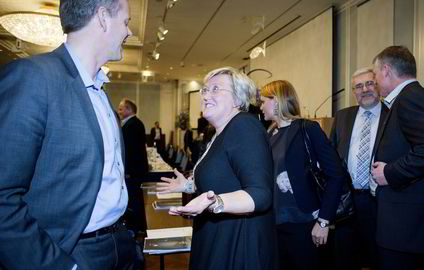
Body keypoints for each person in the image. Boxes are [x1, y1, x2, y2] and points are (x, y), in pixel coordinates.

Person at [0, 0, 137, 269]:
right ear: (102, 18)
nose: (129, 32)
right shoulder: (33, 78)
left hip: (118, 244)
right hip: (70, 253)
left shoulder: (101, 92)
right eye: (126, 21)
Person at [157, 67, 276, 269]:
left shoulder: (244, 126)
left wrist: (216, 202)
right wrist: (189, 186)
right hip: (217, 236)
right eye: (205, 90)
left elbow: (260, 194)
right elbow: (223, 179)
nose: (205, 96)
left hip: (237, 244)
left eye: (215, 89)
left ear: (238, 99)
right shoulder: (221, 132)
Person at [371, 45, 424, 270]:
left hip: (407, 229)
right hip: (402, 227)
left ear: (386, 70)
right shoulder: (404, 99)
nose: (374, 80)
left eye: (375, 73)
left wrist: (390, 173)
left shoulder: (411, 98)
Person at [259, 80, 346, 270]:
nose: (260, 106)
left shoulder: (307, 129)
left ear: (277, 101)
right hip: (273, 224)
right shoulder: (270, 133)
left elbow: (336, 175)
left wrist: (323, 222)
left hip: (303, 223)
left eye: (263, 101)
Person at [330, 67, 388, 270]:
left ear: (378, 85)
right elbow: (332, 156)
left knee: (378, 257)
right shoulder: (342, 116)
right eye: (359, 86)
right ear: (354, 92)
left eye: (370, 83)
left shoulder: (392, 115)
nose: (365, 89)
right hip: (346, 201)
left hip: (378, 201)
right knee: (344, 258)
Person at [118, 98, 149, 233]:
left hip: (134, 171)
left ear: (129, 110)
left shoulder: (132, 125)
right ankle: (137, 226)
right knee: (135, 198)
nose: (119, 111)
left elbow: (129, 151)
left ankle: (136, 227)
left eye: (121, 108)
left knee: (134, 199)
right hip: (136, 170)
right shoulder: (134, 123)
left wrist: (126, 170)